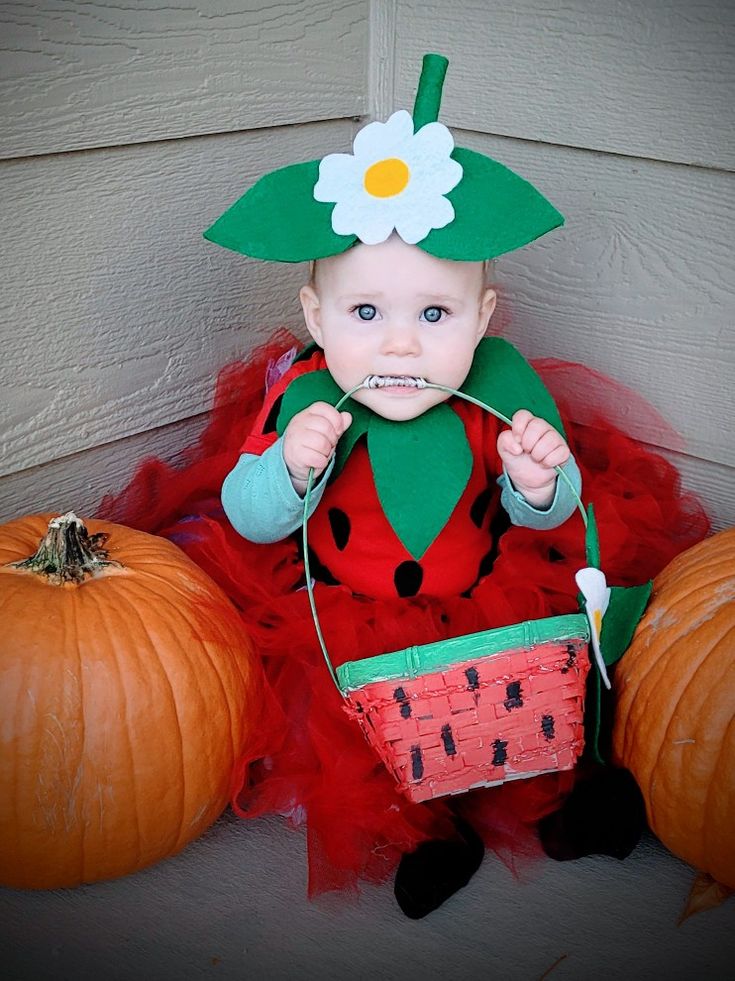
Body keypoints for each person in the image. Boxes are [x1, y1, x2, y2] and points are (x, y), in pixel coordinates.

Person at [196, 52, 654, 918]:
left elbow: (551, 509)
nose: (399, 346)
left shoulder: (495, 388)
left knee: (527, 697)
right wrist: (292, 467)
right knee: (368, 742)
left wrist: (534, 480)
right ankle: (430, 835)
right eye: (366, 314)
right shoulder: (308, 399)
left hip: (481, 596)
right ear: (315, 318)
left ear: (480, 320)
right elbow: (248, 518)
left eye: (433, 315)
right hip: (350, 620)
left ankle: (562, 802)